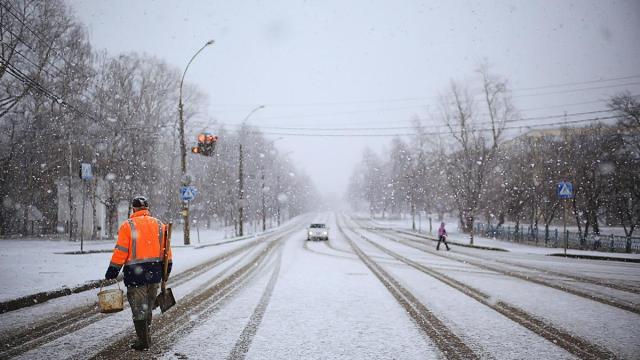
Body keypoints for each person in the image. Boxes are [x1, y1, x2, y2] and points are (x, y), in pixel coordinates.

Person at [104, 196, 172, 351]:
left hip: (135, 276)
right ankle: (146, 335)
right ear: (147, 208)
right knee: (148, 306)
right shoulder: (160, 225)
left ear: (133, 209)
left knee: (139, 308)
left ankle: (143, 340)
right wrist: (167, 270)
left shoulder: (127, 226)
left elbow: (121, 251)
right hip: (154, 275)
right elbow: (167, 251)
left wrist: (113, 270)